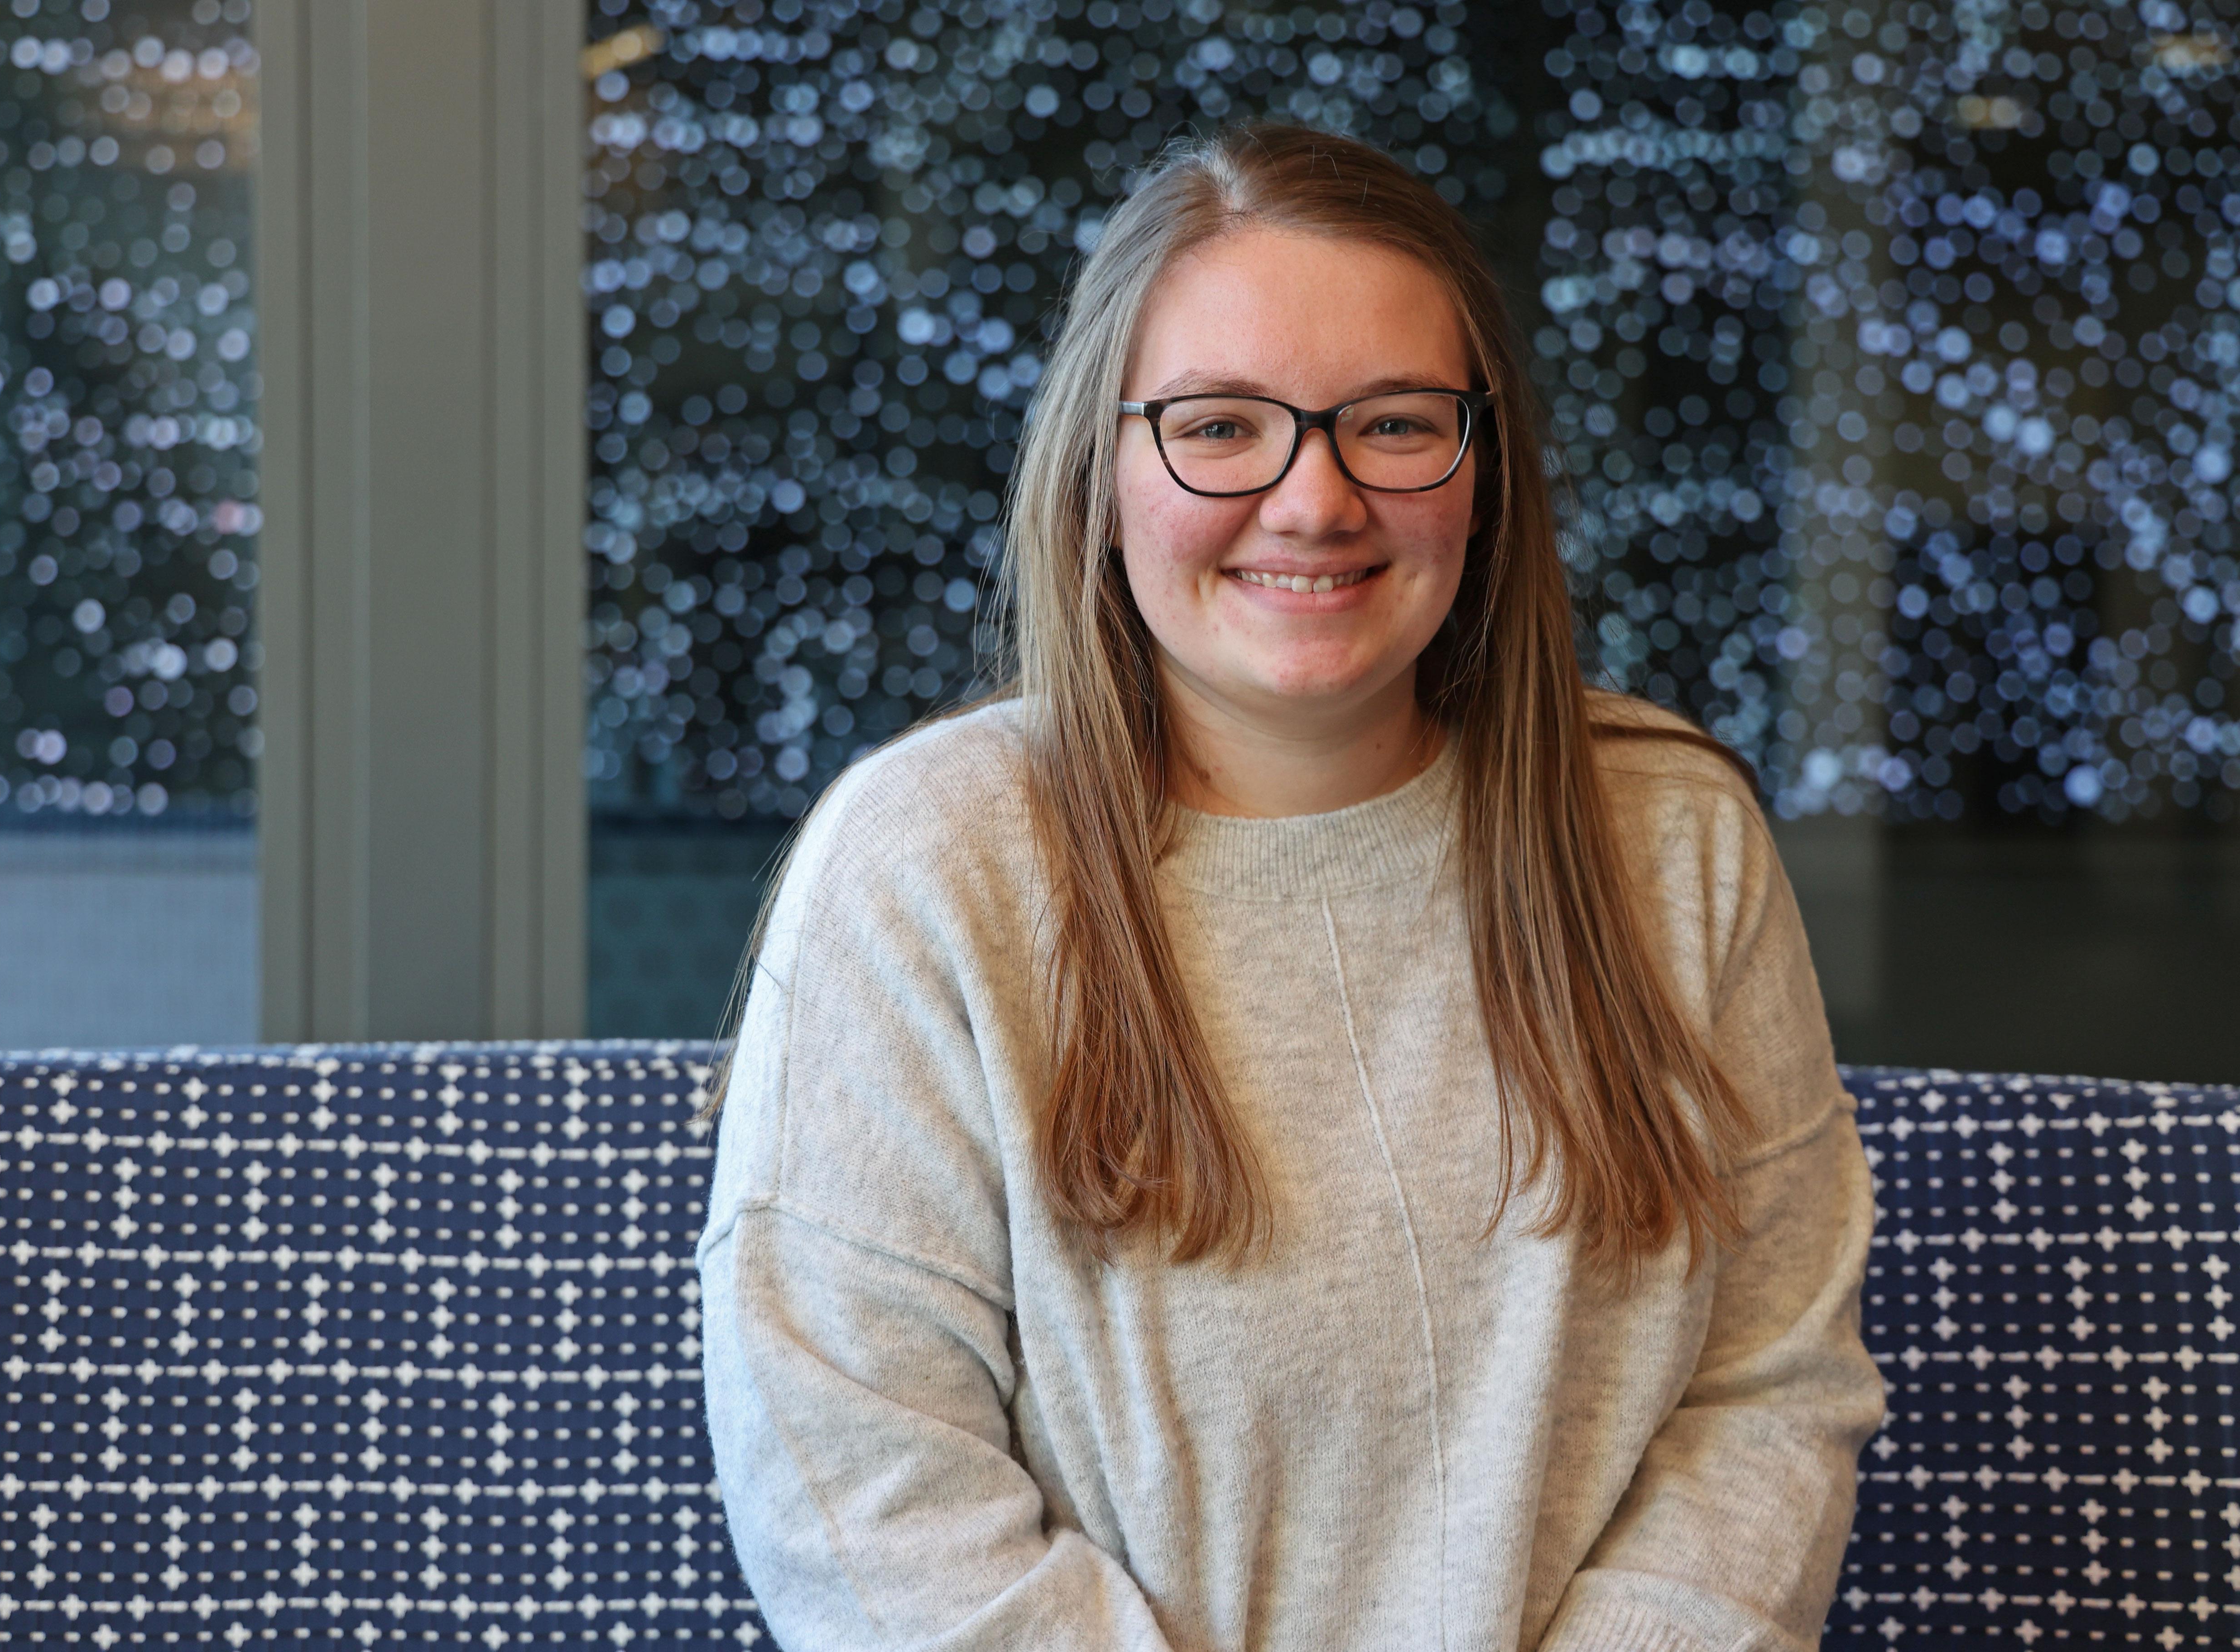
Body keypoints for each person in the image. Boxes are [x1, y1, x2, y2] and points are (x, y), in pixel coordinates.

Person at [693, 122, 1884, 1652]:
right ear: (1103, 465)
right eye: (1222, 425)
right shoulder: (929, 861)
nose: (1314, 501)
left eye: (1393, 424)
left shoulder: (1676, 838)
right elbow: (856, 1473)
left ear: (1486, 465)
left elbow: (1769, 1391)